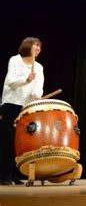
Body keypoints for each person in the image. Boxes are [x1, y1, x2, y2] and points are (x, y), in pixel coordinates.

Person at [0, 37, 44, 185]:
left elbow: (38, 87)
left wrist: (37, 96)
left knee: (20, 143)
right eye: (35, 46)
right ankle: (4, 174)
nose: (38, 49)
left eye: (39, 47)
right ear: (27, 46)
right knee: (7, 141)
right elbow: (10, 82)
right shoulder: (15, 60)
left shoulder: (39, 67)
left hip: (25, 108)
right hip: (11, 104)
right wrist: (26, 79)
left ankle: (14, 174)